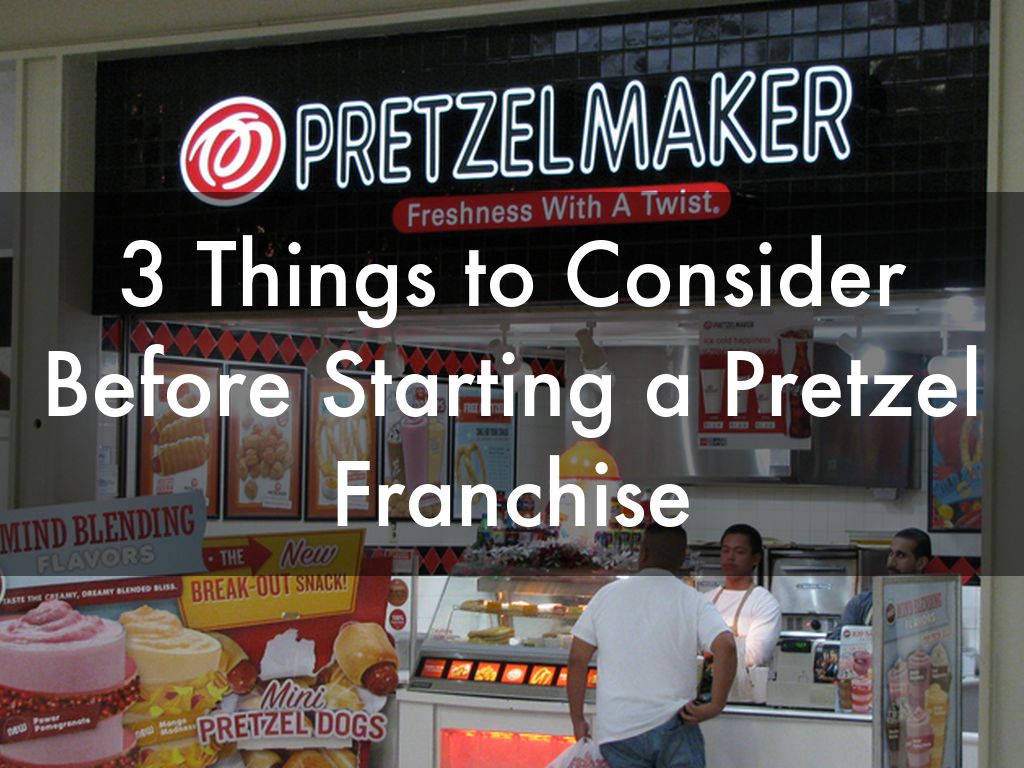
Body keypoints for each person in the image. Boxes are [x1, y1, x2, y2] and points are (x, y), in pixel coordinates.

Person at [568, 523, 737, 768]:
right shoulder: (693, 600)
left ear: (643, 552)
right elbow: (727, 647)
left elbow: (577, 660)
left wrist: (577, 718)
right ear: (682, 558)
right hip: (676, 725)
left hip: (618, 731)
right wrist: (716, 705)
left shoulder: (606, 596)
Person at [828, 528, 932, 638]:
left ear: (920, 563)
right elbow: (835, 641)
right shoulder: (861, 604)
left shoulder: (934, 606)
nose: (891, 563)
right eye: (891, 554)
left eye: (901, 555)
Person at [710, 524, 781, 668]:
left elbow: (754, 656)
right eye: (725, 551)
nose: (730, 557)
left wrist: (708, 652)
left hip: (743, 682)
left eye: (739, 552)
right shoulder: (706, 599)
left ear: (756, 558)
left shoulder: (764, 603)